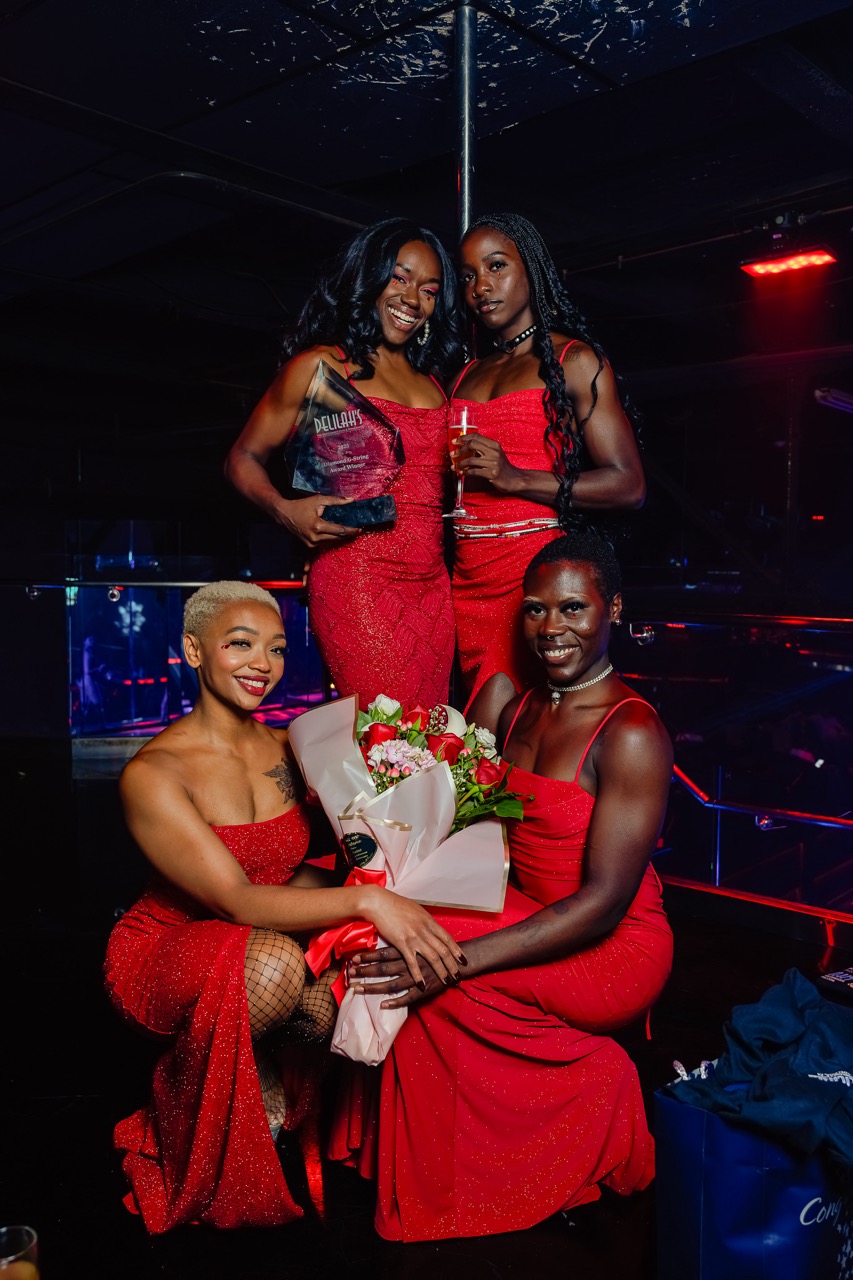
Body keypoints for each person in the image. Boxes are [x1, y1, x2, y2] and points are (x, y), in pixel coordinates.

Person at [104, 581, 464, 1233]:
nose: (261, 664)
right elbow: (235, 898)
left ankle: (260, 1063)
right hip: (167, 949)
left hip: (265, 936)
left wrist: (402, 867)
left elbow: (301, 865)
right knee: (276, 966)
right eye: (239, 644)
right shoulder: (154, 773)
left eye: (275, 648)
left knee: (342, 993)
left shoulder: (292, 747)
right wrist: (369, 900)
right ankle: (188, 1091)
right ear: (193, 650)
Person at [346, 530, 674, 1241]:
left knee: (424, 958)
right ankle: (449, 1162)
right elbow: (475, 833)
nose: (551, 627)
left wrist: (456, 959)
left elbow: (603, 905)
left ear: (613, 609)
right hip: (530, 911)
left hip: (612, 944)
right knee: (401, 930)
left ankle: (600, 1091)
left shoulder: (631, 732)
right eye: (535, 609)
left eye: (572, 608)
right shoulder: (517, 708)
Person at [225, 218, 463, 708]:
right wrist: (284, 510)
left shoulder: (435, 382)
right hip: (358, 580)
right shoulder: (321, 366)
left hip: (433, 587)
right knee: (389, 732)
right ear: (369, 277)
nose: (412, 299)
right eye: (399, 278)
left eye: (429, 290)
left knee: (429, 731)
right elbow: (241, 458)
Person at [450, 211, 645, 701]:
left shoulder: (574, 360)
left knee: (512, 721)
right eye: (468, 275)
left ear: (531, 269)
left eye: (496, 266)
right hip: (464, 580)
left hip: (531, 575)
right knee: (471, 729)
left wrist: (517, 478)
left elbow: (628, 485)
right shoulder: (465, 375)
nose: (480, 286)